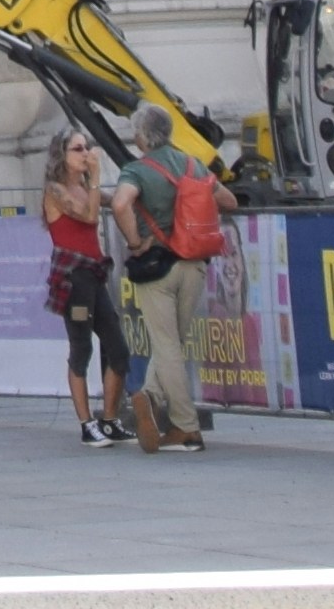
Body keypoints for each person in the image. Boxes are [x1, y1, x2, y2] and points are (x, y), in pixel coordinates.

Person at [111, 136, 220, 452]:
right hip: (195, 262)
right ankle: (150, 395)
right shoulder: (192, 164)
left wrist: (134, 241)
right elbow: (227, 200)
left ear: (142, 137)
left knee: (166, 343)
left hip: (158, 265)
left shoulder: (137, 170)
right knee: (175, 342)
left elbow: (120, 204)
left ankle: (186, 427)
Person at [39, 134, 127, 450]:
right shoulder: (56, 191)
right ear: (61, 155)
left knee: (117, 347)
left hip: (94, 272)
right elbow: (88, 215)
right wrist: (97, 176)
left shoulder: (85, 189)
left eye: (87, 147)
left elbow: (115, 202)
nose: (86, 153)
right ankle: (86, 422)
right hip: (73, 277)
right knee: (81, 347)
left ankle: (110, 418)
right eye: (78, 149)